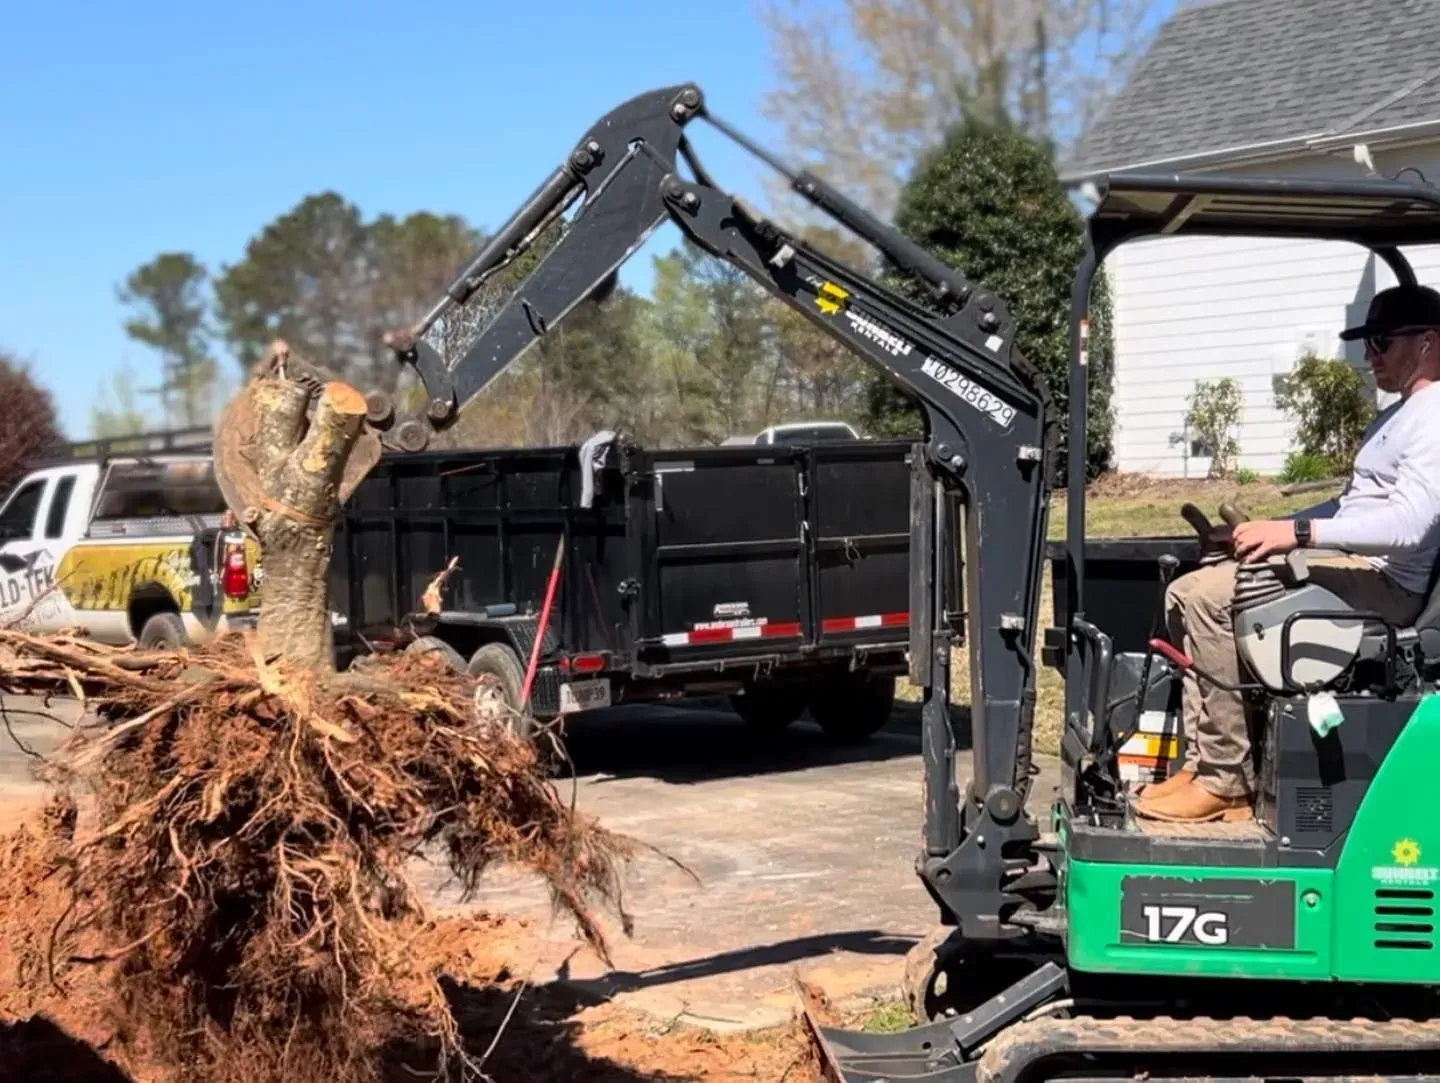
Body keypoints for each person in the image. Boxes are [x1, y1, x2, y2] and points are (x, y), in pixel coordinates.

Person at [1136, 283, 1440, 823]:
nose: (1369, 355)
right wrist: (1268, 527)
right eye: (1366, 343)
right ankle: (1207, 759)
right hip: (1353, 565)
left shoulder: (1435, 416)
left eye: (1380, 341)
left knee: (1211, 597)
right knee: (1187, 589)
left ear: (1428, 342)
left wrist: (1297, 536)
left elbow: (1410, 526)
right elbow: (1351, 504)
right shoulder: (1397, 416)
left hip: (1386, 583)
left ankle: (1226, 780)